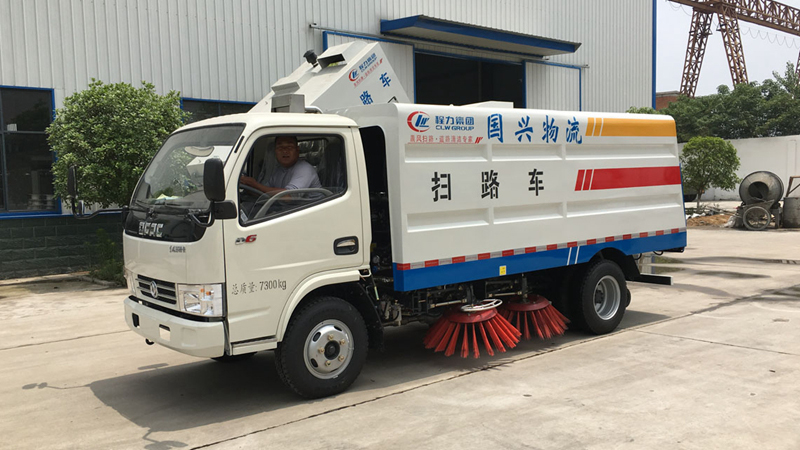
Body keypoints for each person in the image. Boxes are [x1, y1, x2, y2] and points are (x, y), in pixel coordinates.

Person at [239, 136, 322, 193]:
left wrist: (255, 184)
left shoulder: (305, 169)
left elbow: (288, 196)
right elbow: (264, 192)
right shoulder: (279, 170)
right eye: (280, 148)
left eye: (289, 147)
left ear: (297, 150)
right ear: (275, 151)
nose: (285, 151)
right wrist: (247, 185)